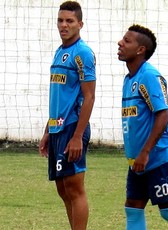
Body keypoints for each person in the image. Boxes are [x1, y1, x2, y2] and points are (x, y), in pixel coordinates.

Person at [117, 24, 168, 230]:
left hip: (161, 157)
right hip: (139, 161)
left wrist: (145, 152)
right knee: (133, 207)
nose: (120, 43)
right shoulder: (130, 79)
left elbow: (163, 115)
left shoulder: (149, 76)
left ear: (140, 50)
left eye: (127, 41)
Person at [39, 1, 96, 230]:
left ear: (80, 24)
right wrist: (47, 132)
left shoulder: (82, 53)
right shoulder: (59, 51)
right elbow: (59, 97)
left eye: (69, 21)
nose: (64, 25)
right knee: (62, 189)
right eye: (60, 20)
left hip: (72, 127)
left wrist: (77, 136)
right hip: (57, 129)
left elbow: (89, 97)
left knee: (74, 188)